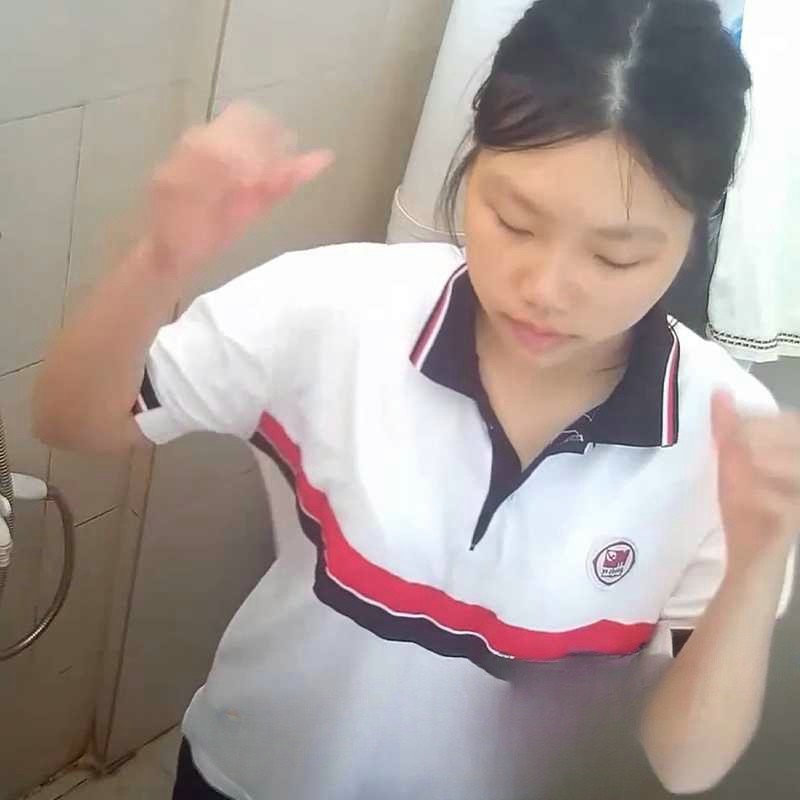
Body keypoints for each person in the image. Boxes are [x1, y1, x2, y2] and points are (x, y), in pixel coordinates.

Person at [34, 1, 800, 798]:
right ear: (472, 160)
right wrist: (155, 261)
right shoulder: (342, 308)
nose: (546, 289)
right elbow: (71, 422)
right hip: (248, 774)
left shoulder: (727, 436)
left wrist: (757, 562)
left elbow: (686, 763)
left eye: (615, 259)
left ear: (694, 234)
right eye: (515, 222)